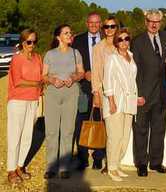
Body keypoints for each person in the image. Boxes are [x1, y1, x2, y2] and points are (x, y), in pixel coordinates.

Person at [131, 9, 166, 177]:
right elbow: (134, 70)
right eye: (151, 21)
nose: (154, 24)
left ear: (160, 23)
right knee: (141, 130)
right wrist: (138, 94)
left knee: (158, 130)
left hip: (162, 94)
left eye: (157, 21)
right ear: (146, 22)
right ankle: (141, 163)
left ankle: (156, 162)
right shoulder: (137, 41)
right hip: (144, 94)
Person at [43, 24, 84, 179]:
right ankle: (51, 167)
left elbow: (81, 72)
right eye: (66, 33)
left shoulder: (76, 53)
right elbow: (43, 75)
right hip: (53, 94)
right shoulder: (50, 54)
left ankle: (64, 167)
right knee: (52, 131)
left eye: (70, 33)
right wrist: (53, 80)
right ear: (58, 37)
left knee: (68, 130)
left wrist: (73, 78)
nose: (69, 35)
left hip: (71, 93)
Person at [6, 29, 43, 186]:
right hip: (17, 101)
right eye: (29, 41)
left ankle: (20, 166)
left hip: (33, 100)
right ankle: (11, 170)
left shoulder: (38, 57)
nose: (31, 44)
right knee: (15, 136)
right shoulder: (17, 59)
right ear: (22, 42)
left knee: (28, 136)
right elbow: (18, 81)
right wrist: (36, 84)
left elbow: (42, 77)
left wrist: (42, 87)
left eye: (34, 41)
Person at [103, 27, 139, 182]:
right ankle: (111, 168)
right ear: (116, 42)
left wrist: (137, 97)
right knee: (115, 137)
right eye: (120, 39)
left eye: (126, 39)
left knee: (124, 138)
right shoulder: (112, 58)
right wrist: (111, 102)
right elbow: (107, 81)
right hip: (116, 103)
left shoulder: (131, 56)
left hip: (129, 103)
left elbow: (132, 80)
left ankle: (117, 165)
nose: (124, 42)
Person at [73, 11, 104, 171]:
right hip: (83, 89)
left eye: (97, 22)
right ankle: (82, 158)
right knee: (81, 122)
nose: (94, 25)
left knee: (100, 121)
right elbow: (72, 62)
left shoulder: (107, 39)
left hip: (101, 88)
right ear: (87, 23)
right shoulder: (77, 40)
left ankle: (98, 157)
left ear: (100, 24)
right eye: (91, 22)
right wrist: (83, 73)